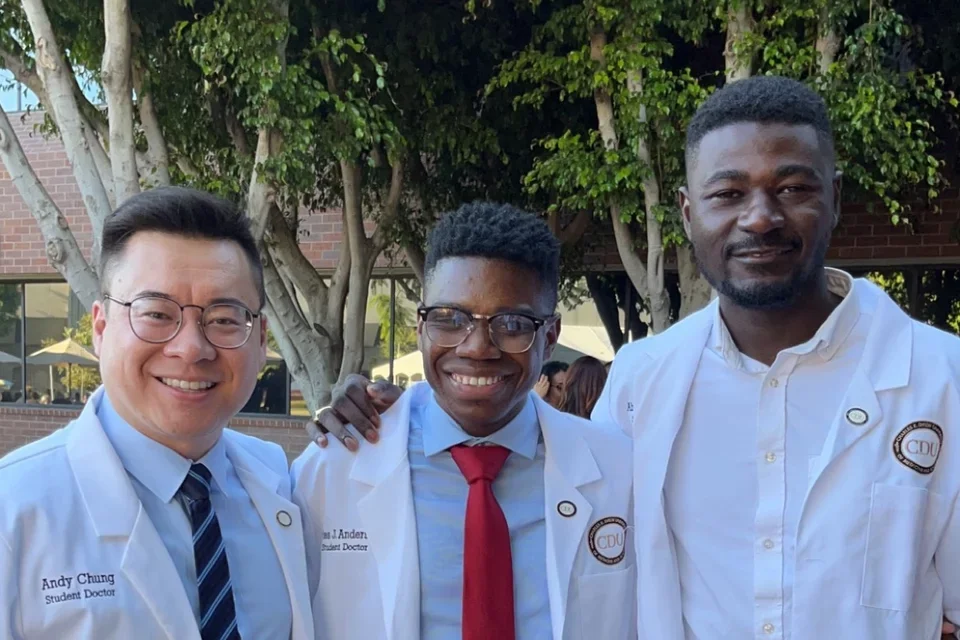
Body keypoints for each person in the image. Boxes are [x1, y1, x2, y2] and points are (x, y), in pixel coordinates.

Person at [306, 76, 960, 639]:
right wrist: (391, 404)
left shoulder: (941, 382)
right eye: (727, 194)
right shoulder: (643, 384)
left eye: (792, 188)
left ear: (836, 198)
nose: (759, 218)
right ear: (686, 211)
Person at [291, 202, 636, 639]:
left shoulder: (618, 472)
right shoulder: (332, 467)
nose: (476, 347)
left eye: (512, 324)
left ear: (549, 337)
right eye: (450, 319)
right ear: (419, 327)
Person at [0, 187, 314, 639]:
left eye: (224, 318)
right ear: (101, 328)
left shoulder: (281, 483)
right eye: (156, 314)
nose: (191, 348)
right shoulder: (15, 511)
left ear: (261, 339)